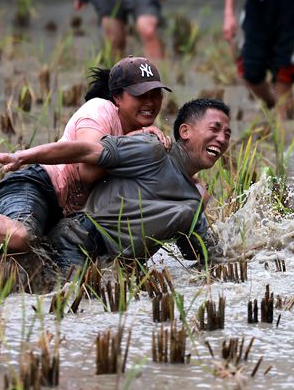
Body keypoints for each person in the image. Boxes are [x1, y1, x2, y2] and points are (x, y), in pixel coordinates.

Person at [0, 57, 171, 253]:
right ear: (118, 98)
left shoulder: (149, 135)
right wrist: (131, 143)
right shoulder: (99, 110)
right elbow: (87, 169)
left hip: (66, 214)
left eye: (155, 94)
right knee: (21, 236)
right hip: (36, 186)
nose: (149, 103)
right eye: (139, 95)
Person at [44, 98, 232, 269]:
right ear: (185, 131)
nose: (222, 139)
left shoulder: (192, 200)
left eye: (227, 134)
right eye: (214, 129)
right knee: (71, 297)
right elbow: (84, 151)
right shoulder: (150, 148)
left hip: (114, 263)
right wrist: (22, 157)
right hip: (75, 241)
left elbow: (206, 257)